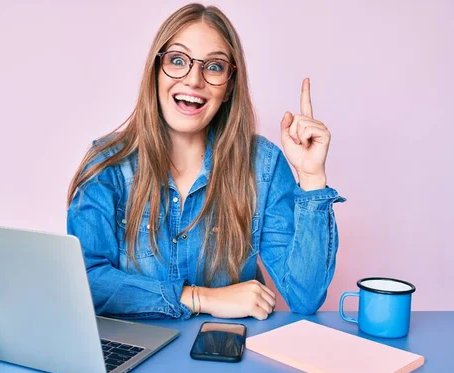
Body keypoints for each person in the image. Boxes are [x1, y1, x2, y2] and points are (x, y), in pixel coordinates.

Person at [66, 3, 346, 321]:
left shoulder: (262, 167)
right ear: (155, 72)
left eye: (214, 67)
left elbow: (305, 297)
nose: (194, 80)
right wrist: (200, 298)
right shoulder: (108, 166)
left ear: (228, 87)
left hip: (231, 361)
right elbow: (87, 283)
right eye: (177, 61)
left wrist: (311, 178)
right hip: (138, 362)